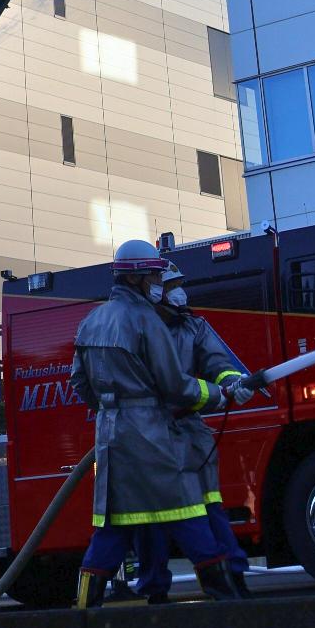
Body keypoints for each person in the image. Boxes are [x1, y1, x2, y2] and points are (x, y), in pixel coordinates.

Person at [69, 239, 249, 607]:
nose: (158, 282)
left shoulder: (91, 321)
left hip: (111, 437)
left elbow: (80, 383)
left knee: (112, 529)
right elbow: (175, 384)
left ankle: (84, 612)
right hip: (153, 433)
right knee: (190, 514)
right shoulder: (146, 320)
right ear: (137, 278)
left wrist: (111, 408)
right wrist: (218, 396)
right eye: (154, 276)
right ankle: (230, 602)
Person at [133, 267, 254, 601]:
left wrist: (234, 382)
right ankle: (155, 590)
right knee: (151, 519)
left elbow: (219, 363)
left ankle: (233, 578)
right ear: (153, 291)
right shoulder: (138, 329)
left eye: (181, 286)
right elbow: (165, 385)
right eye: (172, 287)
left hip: (190, 432)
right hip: (149, 435)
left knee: (210, 507)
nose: (180, 294)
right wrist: (216, 394)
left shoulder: (194, 326)